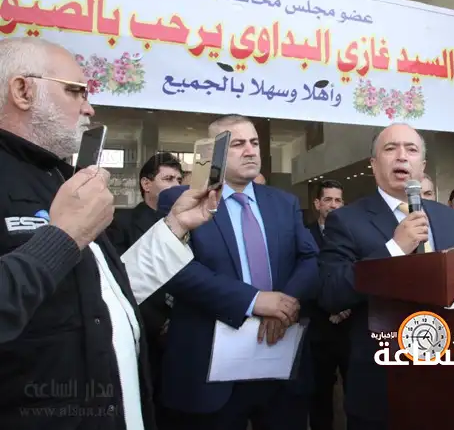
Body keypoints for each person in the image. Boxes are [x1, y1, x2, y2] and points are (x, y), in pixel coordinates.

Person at [0, 36, 219, 430]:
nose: (89, 107)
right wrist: (63, 238)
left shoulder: (60, 177)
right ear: (22, 90)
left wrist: (175, 226)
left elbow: (105, 294)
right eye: (75, 91)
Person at [157, 114, 319, 430]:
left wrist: (283, 304)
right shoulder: (182, 200)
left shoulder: (283, 203)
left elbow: (310, 258)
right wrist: (254, 301)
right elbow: (176, 269)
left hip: (278, 360)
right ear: (214, 152)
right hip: (210, 371)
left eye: (254, 143)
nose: (250, 151)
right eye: (238, 144)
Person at [318, 123, 454, 430]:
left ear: (422, 166)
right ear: (373, 165)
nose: (402, 156)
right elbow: (331, 292)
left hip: (447, 374)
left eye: (411, 150)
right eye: (391, 149)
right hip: (382, 380)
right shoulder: (346, 220)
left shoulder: (450, 218)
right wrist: (395, 248)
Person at [106, 151, 185, 427]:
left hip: (188, 331)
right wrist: (159, 323)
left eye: (179, 180)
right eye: (168, 179)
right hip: (149, 337)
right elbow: (120, 281)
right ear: (146, 184)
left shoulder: (195, 224)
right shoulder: (121, 223)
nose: (176, 185)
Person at [306, 179, 349, 430]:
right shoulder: (304, 234)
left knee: (355, 395)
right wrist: (330, 307)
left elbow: (359, 271)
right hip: (319, 328)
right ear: (317, 203)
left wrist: (345, 306)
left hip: (349, 326)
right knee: (320, 396)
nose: (333, 205)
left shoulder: (353, 234)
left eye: (338, 200)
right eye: (328, 200)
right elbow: (304, 276)